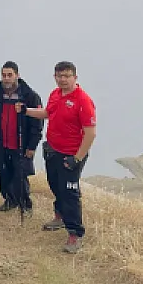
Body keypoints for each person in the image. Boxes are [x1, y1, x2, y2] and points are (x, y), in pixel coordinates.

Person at [18, 61, 97, 254]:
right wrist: (26, 111)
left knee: (70, 193)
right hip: (53, 150)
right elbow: (47, 113)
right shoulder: (55, 94)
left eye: (67, 76)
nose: (62, 80)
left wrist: (77, 158)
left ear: (75, 78)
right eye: (59, 76)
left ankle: (75, 233)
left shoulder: (83, 100)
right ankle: (59, 216)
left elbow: (90, 133)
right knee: (54, 185)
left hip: (71, 155)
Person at [0, 61, 42, 213]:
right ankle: (9, 200)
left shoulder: (30, 96)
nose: (6, 78)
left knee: (20, 176)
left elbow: (37, 124)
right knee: (4, 174)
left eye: (10, 75)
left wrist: (32, 146)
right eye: (4, 75)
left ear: (17, 75)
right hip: (1, 143)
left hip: (20, 144)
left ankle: (25, 204)